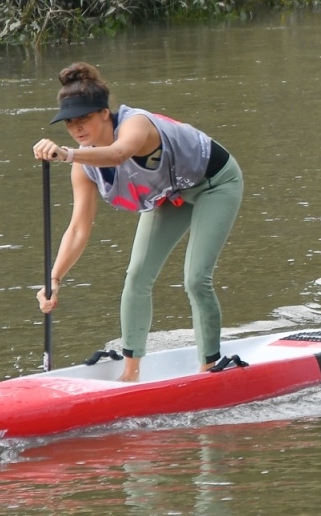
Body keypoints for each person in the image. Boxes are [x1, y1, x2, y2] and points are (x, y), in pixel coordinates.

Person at [33, 63, 244, 381]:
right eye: (69, 123)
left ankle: (210, 368)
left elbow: (118, 154)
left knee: (195, 278)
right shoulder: (84, 165)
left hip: (215, 183)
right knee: (136, 276)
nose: (77, 129)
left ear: (104, 113)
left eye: (84, 119)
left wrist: (66, 154)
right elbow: (78, 227)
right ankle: (130, 374)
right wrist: (55, 278)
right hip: (172, 193)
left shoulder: (136, 125)